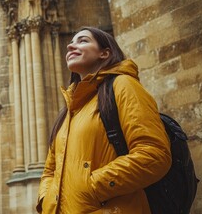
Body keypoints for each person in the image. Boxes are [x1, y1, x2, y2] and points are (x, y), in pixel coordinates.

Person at [37, 27, 172, 213]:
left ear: (104, 53)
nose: (70, 46)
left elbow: (154, 154)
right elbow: (49, 171)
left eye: (83, 41)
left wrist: (91, 188)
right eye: (71, 42)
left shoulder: (123, 85)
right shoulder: (69, 110)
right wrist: (47, 201)